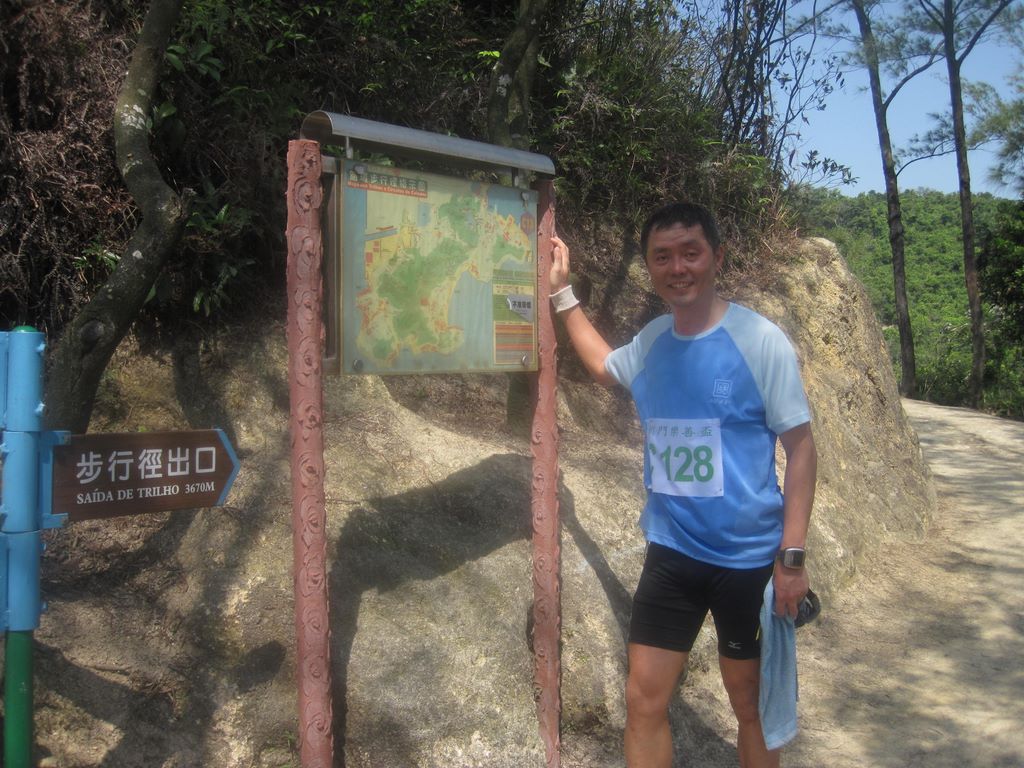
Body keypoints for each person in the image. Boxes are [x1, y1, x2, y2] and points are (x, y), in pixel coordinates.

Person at [548, 202, 816, 768]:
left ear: (717, 257)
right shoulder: (652, 342)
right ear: (649, 266)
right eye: (662, 257)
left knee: (750, 704)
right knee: (643, 699)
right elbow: (603, 366)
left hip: (747, 561)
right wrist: (561, 294)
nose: (678, 268)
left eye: (691, 253)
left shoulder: (759, 340)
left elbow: (801, 449)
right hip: (673, 554)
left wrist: (791, 558)